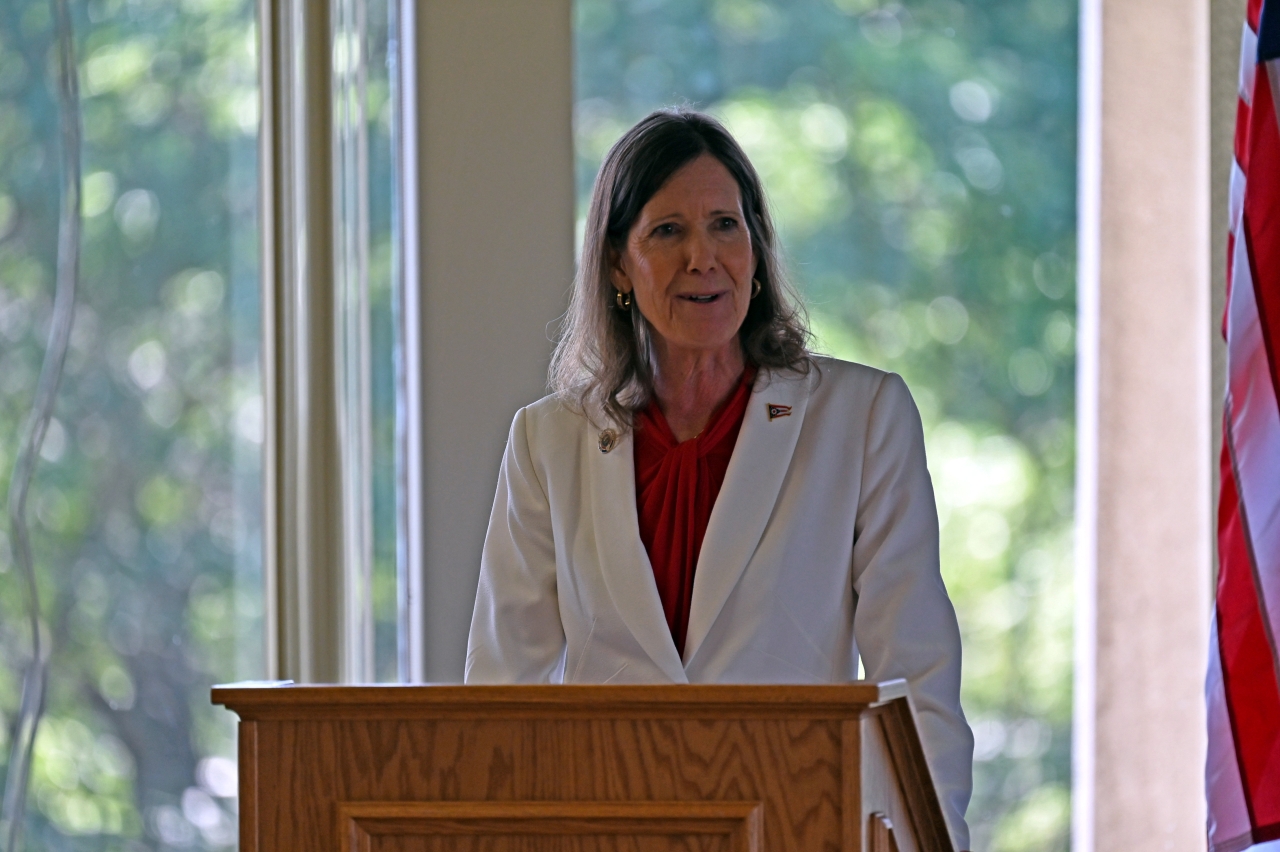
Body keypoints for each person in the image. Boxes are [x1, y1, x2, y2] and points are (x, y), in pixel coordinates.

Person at [465, 108, 973, 850]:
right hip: (610, 832)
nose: (703, 256)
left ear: (758, 249)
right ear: (616, 264)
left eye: (725, 225)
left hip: (797, 825)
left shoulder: (861, 417)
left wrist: (934, 841)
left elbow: (917, 676)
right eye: (667, 231)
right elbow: (501, 694)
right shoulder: (548, 440)